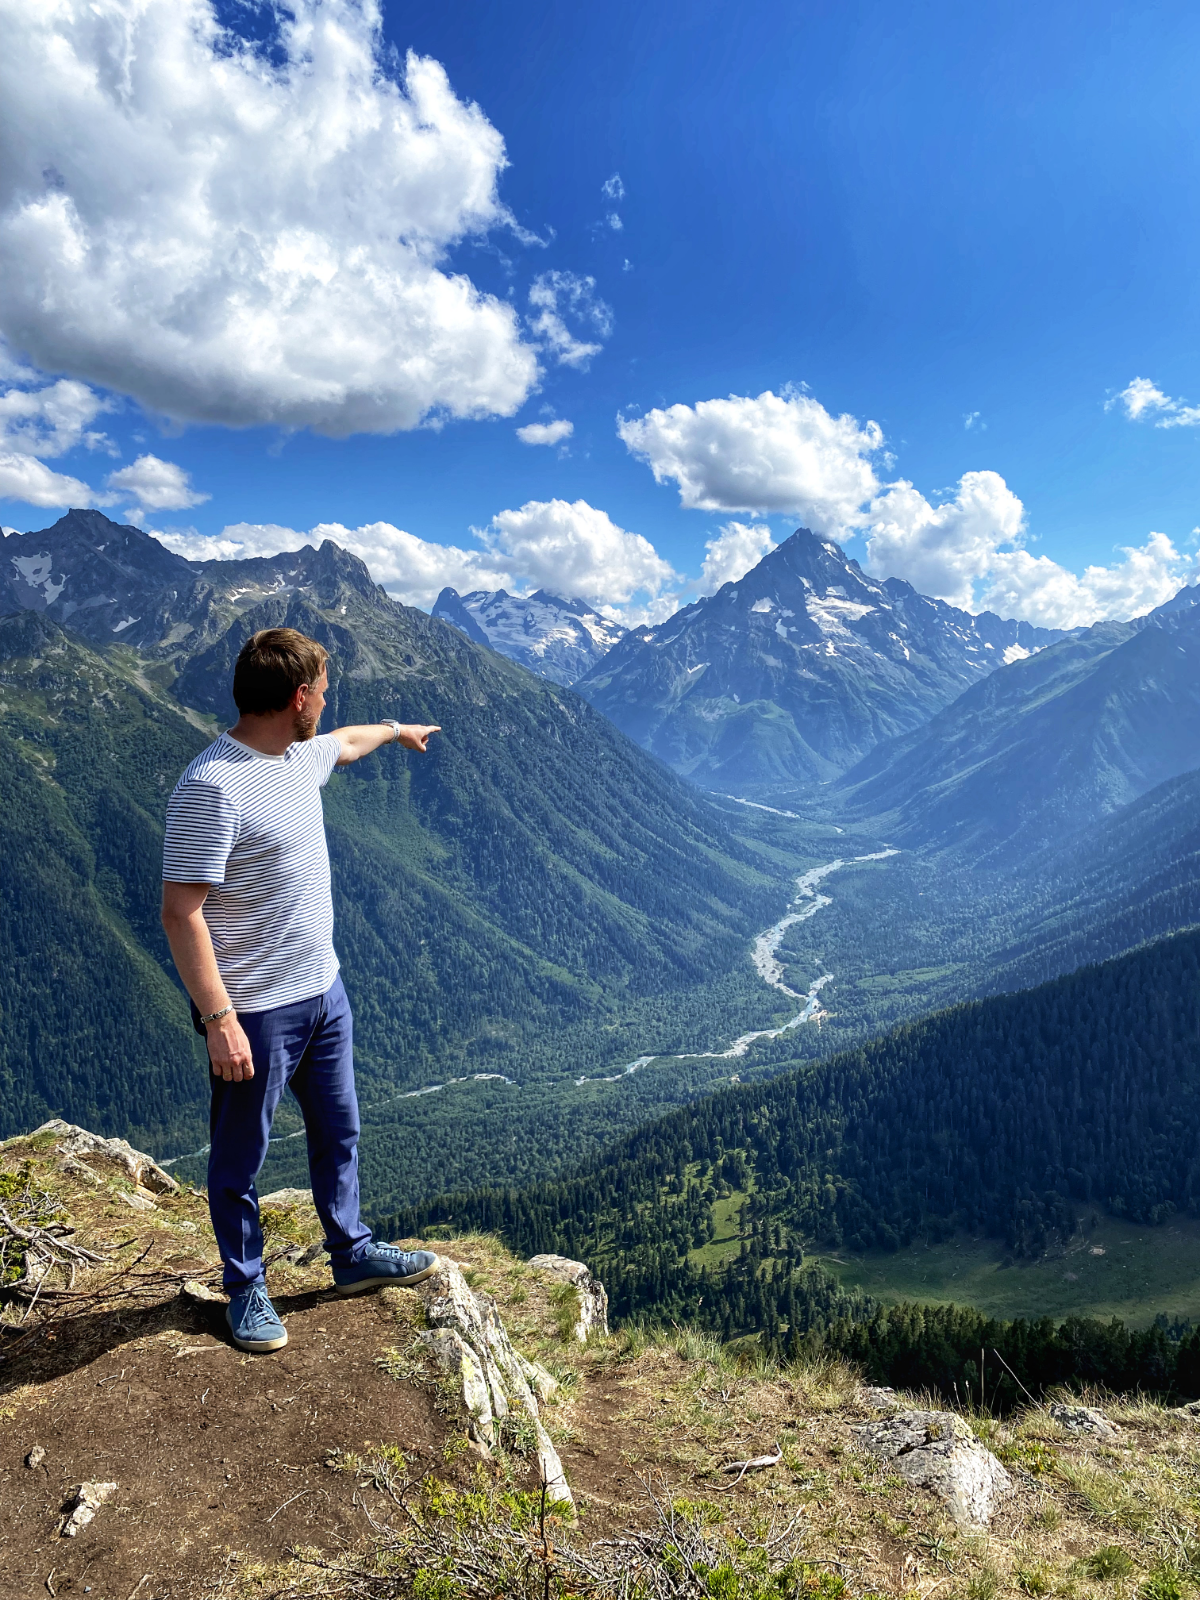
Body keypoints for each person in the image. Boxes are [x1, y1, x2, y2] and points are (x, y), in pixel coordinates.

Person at [161, 627, 442, 1354]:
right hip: (254, 1010)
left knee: (339, 1131)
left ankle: (351, 1253)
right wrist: (219, 1019)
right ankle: (246, 1286)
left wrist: (394, 730)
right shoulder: (212, 786)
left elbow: (343, 743)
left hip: (324, 991)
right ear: (296, 698)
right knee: (239, 1157)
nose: (326, 700)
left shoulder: (294, 756)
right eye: (322, 689)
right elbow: (181, 910)